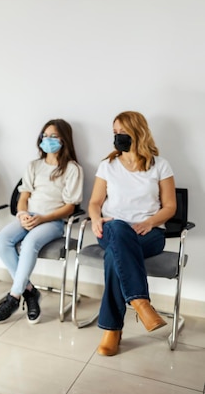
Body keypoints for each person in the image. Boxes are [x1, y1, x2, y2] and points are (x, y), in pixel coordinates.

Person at [88, 111, 175, 356]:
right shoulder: (108, 165)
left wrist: (151, 222)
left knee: (113, 258)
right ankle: (140, 303)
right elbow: (95, 202)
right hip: (112, 229)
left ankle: (112, 329)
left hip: (149, 234)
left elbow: (170, 206)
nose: (117, 137)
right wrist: (95, 218)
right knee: (117, 228)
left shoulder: (161, 165)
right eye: (114, 132)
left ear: (138, 132)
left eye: (122, 132)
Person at [0, 119, 83, 325]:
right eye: (45, 136)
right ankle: (29, 291)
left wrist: (43, 218)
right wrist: (22, 213)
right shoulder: (34, 166)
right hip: (30, 215)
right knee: (2, 240)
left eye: (53, 136)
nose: (47, 140)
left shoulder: (73, 169)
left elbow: (70, 207)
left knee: (30, 243)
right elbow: (24, 196)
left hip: (53, 221)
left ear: (64, 140)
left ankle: (14, 297)